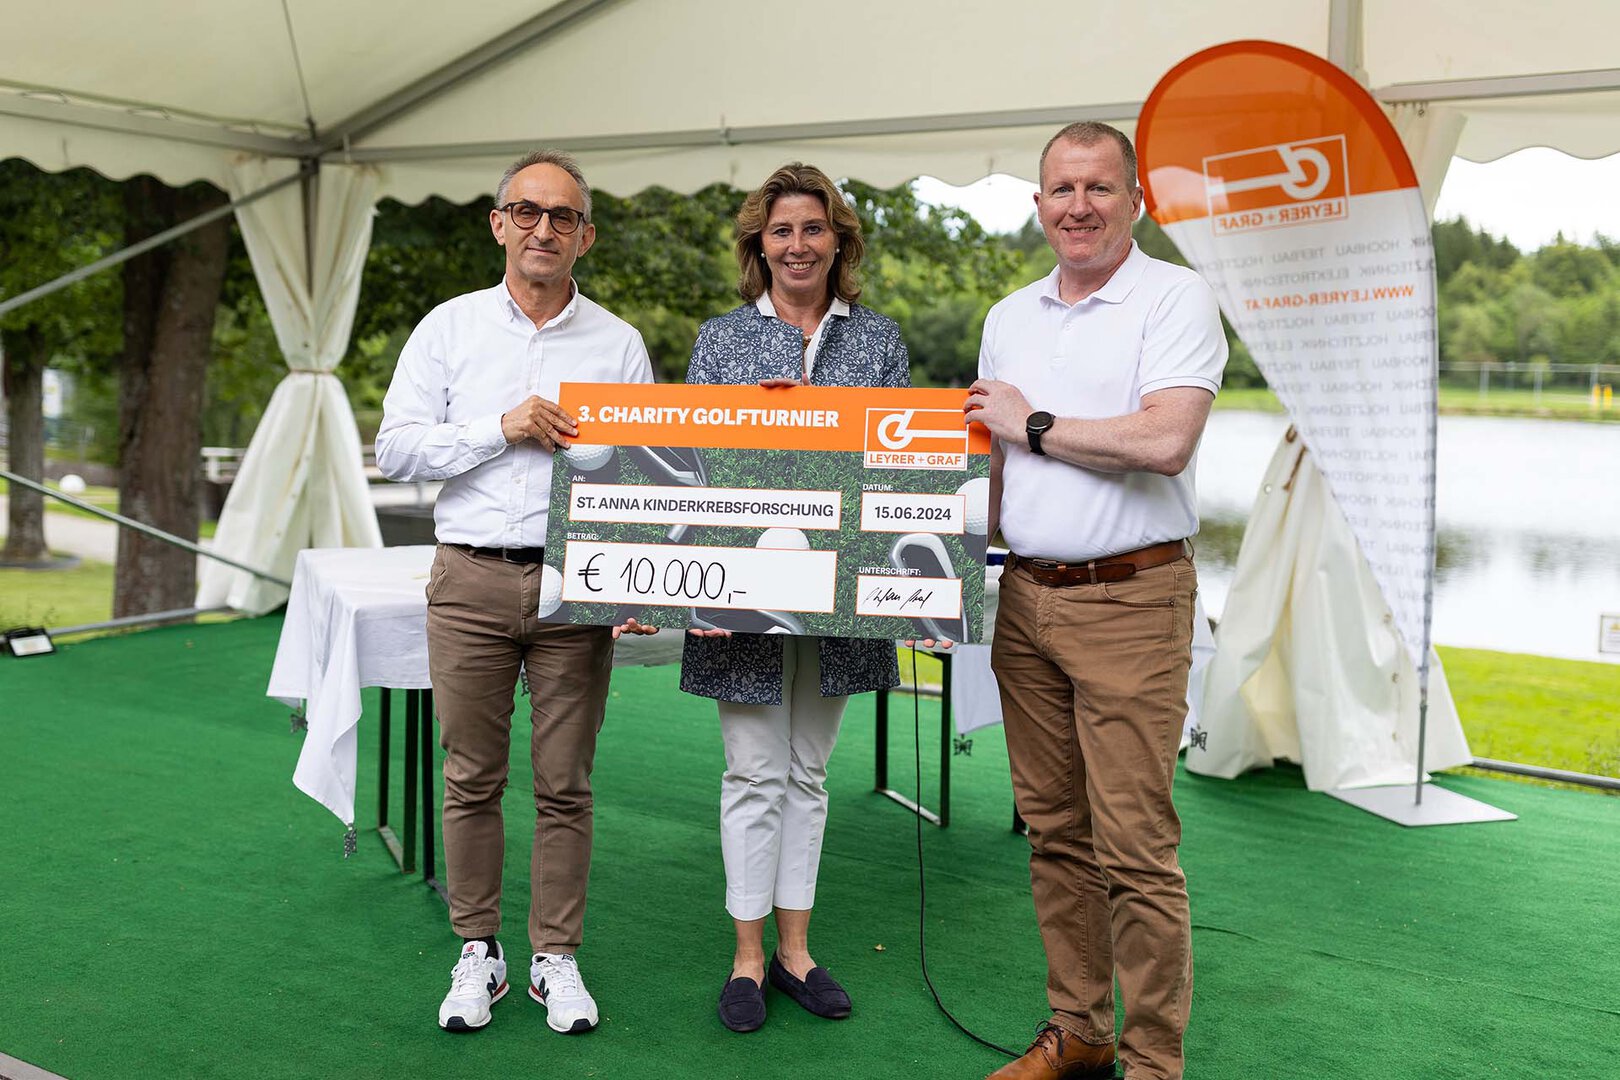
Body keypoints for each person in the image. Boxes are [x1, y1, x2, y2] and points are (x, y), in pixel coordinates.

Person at [964, 122, 1227, 1080]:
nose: (1079, 206)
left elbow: (1165, 441)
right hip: (1025, 598)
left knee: (1136, 848)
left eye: (1099, 188)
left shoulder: (1176, 296)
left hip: (1131, 600)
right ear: (1038, 204)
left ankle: (1153, 1063)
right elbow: (991, 469)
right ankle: (1079, 1032)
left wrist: (1032, 422)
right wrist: (931, 563)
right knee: (1055, 835)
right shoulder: (1009, 316)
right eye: (1062, 189)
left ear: (1135, 202)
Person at [375, 149, 656, 1036]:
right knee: (470, 776)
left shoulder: (618, 344)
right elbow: (396, 449)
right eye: (526, 211)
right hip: (469, 576)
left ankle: (554, 956)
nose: (544, 228)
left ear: (586, 237)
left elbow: (645, 474)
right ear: (499, 224)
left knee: (566, 783)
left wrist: (634, 573)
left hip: (576, 585)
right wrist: (499, 429)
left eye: (562, 216)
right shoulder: (448, 328)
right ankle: (477, 949)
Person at [679, 163, 910, 1033]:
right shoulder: (719, 342)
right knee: (752, 771)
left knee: (808, 772)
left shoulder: (878, 341)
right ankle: (746, 958)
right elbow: (693, 467)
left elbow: (900, 468)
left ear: (839, 242)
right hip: (743, 588)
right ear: (760, 244)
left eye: (814, 228)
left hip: (842, 589)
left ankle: (795, 951)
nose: (798, 245)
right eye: (782, 230)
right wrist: (762, 424)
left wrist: (819, 418)